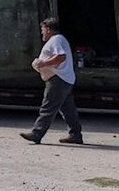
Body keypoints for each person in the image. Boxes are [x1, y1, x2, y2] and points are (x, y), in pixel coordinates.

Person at [21, 17, 84, 145]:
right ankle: (75, 135)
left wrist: (43, 63)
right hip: (65, 79)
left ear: (48, 29)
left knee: (48, 107)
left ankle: (37, 133)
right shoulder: (60, 39)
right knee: (68, 110)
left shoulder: (56, 40)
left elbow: (61, 57)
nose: (42, 32)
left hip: (58, 79)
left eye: (43, 29)